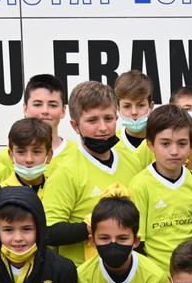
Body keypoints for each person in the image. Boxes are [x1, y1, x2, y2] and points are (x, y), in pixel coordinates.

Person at [43, 80, 140, 266]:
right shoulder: (65, 170)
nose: (103, 128)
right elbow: (49, 231)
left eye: (109, 118)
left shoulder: (131, 160)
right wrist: (96, 226)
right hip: (82, 279)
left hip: (127, 274)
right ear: (75, 125)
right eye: (92, 120)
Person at [129, 104, 192, 270]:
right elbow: (138, 243)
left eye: (182, 144)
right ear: (150, 144)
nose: (174, 151)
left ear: (191, 145)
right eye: (165, 144)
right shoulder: (140, 185)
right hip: (158, 277)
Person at [0, 74, 74, 170]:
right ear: (25, 108)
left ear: (63, 110)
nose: (45, 111)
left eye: (53, 105)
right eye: (37, 104)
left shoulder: (76, 153)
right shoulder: (6, 157)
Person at [1, 117, 58, 195]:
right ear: (11, 155)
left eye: (36, 152)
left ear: (49, 156)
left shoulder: (58, 191)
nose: (29, 159)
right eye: (21, 152)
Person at [114, 70, 156, 169]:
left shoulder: (164, 141)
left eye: (141, 105)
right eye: (127, 106)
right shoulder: (112, 145)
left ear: (151, 106)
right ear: (118, 108)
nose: (134, 112)